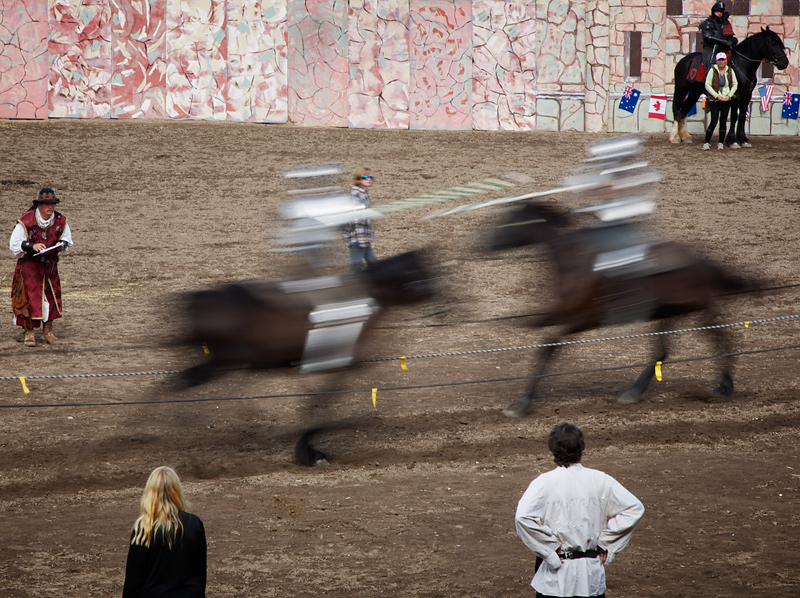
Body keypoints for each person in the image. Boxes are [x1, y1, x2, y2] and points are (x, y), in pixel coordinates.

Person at [514, 423, 644, 598]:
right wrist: (605, 542)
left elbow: (523, 517)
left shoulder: (544, 482)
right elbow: (633, 508)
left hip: (557, 578)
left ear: (552, 448)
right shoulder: (600, 480)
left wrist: (550, 549)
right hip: (590, 575)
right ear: (581, 447)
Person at [123, 466, 207, 598]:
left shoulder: (144, 528)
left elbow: (134, 580)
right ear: (177, 490)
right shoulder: (195, 524)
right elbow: (200, 572)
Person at [9, 187, 74, 347]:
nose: (50, 207)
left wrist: (61, 245)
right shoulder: (27, 220)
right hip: (30, 267)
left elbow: (66, 240)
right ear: (39, 205)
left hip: (49, 267)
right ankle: (29, 333)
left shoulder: (60, 221)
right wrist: (32, 246)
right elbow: (15, 244)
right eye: (47, 204)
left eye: (52, 204)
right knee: (28, 299)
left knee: (51, 296)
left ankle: (48, 331)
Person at [343, 167, 379, 273]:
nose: (369, 179)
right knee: (355, 267)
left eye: (371, 177)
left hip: (364, 237)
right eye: (365, 177)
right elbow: (354, 217)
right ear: (358, 179)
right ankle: (348, 288)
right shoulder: (355, 195)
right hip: (358, 238)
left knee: (374, 263)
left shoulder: (363, 194)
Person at [702, 52, 738, 151]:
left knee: (723, 121)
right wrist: (716, 95)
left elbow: (735, 84)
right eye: (719, 60)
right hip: (715, 100)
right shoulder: (712, 71)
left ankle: (721, 142)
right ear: (717, 61)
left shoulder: (730, 71)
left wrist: (729, 95)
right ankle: (706, 142)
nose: (721, 62)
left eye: (723, 60)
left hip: (726, 99)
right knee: (713, 121)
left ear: (726, 61)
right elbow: (707, 85)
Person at [699, 2, 738, 70]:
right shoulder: (708, 22)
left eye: (721, 12)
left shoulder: (725, 23)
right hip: (711, 48)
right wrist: (723, 41)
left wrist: (733, 40)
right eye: (717, 11)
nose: (719, 13)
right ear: (713, 12)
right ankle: (709, 77)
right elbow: (707, 37)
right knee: (709, 63)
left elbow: (729, 35)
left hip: (725, 48)